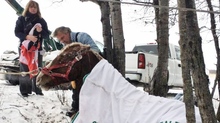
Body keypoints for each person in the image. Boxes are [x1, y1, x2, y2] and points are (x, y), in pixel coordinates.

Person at [52, 26, 101, 117]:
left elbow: (95, 50)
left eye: (62, 38)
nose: (62, 41)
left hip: (93, 69)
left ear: (68, 32)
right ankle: (76, 108)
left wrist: (80, 58)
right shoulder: (66, 45)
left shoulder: (82, 37)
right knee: (75, 87)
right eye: (60, 40)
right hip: (79, 72)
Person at [14, 0, 49, 97]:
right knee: (25, 69)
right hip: (24, 48)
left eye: (35, 7)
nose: (33, 9)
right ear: (28, 8)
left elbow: (47, 36)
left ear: (37, 9)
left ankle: (37, 89)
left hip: (37, 49)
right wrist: (27, 37)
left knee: (37, 68)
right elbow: (17, 32)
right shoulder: (21, 19)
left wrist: (41, 31)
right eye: (31, 7)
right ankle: (25, 91)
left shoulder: (41, 21)